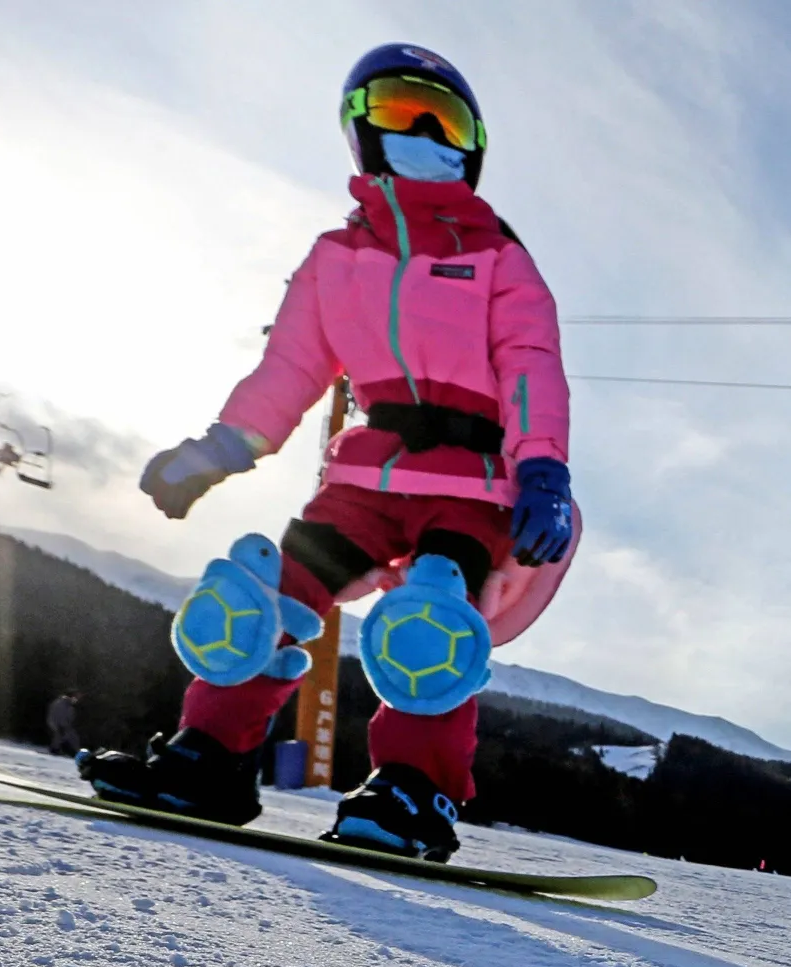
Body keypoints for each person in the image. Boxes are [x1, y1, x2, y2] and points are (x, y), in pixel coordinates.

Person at [77, 43, 574, 863]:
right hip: (362, 479)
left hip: (469, 485)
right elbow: (292, 369)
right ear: (358, 130)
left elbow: (531, 367)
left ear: (472, 146)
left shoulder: (498, 258)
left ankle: (414, 789)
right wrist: (220, 448)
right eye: (394, 108)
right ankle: (212, 757)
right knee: (267, 596)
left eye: (442, 119)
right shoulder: (335, 260)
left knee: (431, 623)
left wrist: (544, 469)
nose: (419, 130)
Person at [46, 690, 81, 756]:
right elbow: (58, 715)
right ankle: (56, 749)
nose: (77, 700)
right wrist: (62, 725)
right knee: (63, 735)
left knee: (69, 736)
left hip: (62, 725)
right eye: (76, 698)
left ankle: (60, 749)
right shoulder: (62, 704)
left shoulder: (67, 705)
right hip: (58, 724)